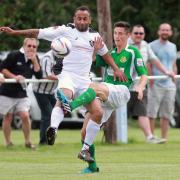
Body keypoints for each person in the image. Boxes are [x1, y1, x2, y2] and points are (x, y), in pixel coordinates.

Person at [0, 6, 127, 145]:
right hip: (68, 75)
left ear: (90, 20)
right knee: (64, 97)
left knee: (98, 112)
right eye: (79, 18)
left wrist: (116, 69)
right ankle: (53, 128)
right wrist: (15, 32)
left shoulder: (95, 36)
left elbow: (106, 55)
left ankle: (86, 149)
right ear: (74, 19)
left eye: (85, 19)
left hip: (85, 80)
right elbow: (38, 32)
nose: (82, 21)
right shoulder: (64, 30)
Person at [57, 21, 148, 173]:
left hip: (121, 91)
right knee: (84, 132)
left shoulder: (132, 52)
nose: (117, 36)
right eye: (115, 33)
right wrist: (95, 50)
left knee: (93, 87)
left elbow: (144, 74)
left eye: (120, 33)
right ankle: (91, 165)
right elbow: (92, 61)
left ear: (127, 35)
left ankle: (70, 106)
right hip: (105, 94)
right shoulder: (110, 54)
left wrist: (140, 87)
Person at [127, 24, 175, 143]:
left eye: (141, 33)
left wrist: (167, 72)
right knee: (118, 114)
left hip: (140, 86)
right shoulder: (125, 44)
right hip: (125, 86)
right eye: (136, 33)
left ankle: (150, 137)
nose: (139, 35)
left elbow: (154, 60)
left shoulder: (145, 45)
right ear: (130, 34)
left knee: (142, 111)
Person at [0, 38, 42, 148]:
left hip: (22, 93)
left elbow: (39, 76)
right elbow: (2, 69)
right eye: (29, 46)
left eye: (34, 46)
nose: (31, 48)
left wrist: (35, 61)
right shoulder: (14, 55)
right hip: (7, 92)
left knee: (25, 115)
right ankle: (8, 143)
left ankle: (28, 142)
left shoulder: (35, 58)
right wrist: (15, 77)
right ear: (24, 46)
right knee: (8, 117)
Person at [148, 23, 177, 141]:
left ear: (170, 32)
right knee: (152, 113)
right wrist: (150, 80)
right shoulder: (151, 46)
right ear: (159, 31)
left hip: (170, 85)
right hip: (156, 83)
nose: (165, 32)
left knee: (167, 113)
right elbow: (148, 64)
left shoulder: (173, 46)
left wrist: (174, 79)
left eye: (167, 30)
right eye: (163, 30)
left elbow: (173, 64)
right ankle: (151, 137)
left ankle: (164, 138)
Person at [33, 48, 63, 145]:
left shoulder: (61, 57)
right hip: (40, 91)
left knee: (58, 112)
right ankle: (43, 141)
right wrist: (62, 78)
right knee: (47, 115)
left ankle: (51, 137)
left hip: (50, 92)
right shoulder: (47, 57)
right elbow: (47, 75)